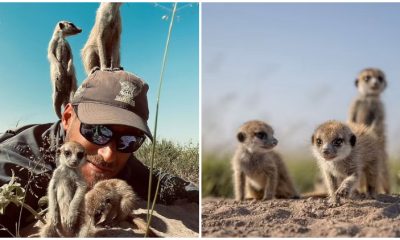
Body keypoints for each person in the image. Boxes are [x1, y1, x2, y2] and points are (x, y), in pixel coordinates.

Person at [0, 70, 198, 237]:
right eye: (97, 131)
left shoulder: (120, 155)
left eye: (130, 140)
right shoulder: (21, 162)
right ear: (67, 118)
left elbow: (158, 181)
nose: (109, 154)